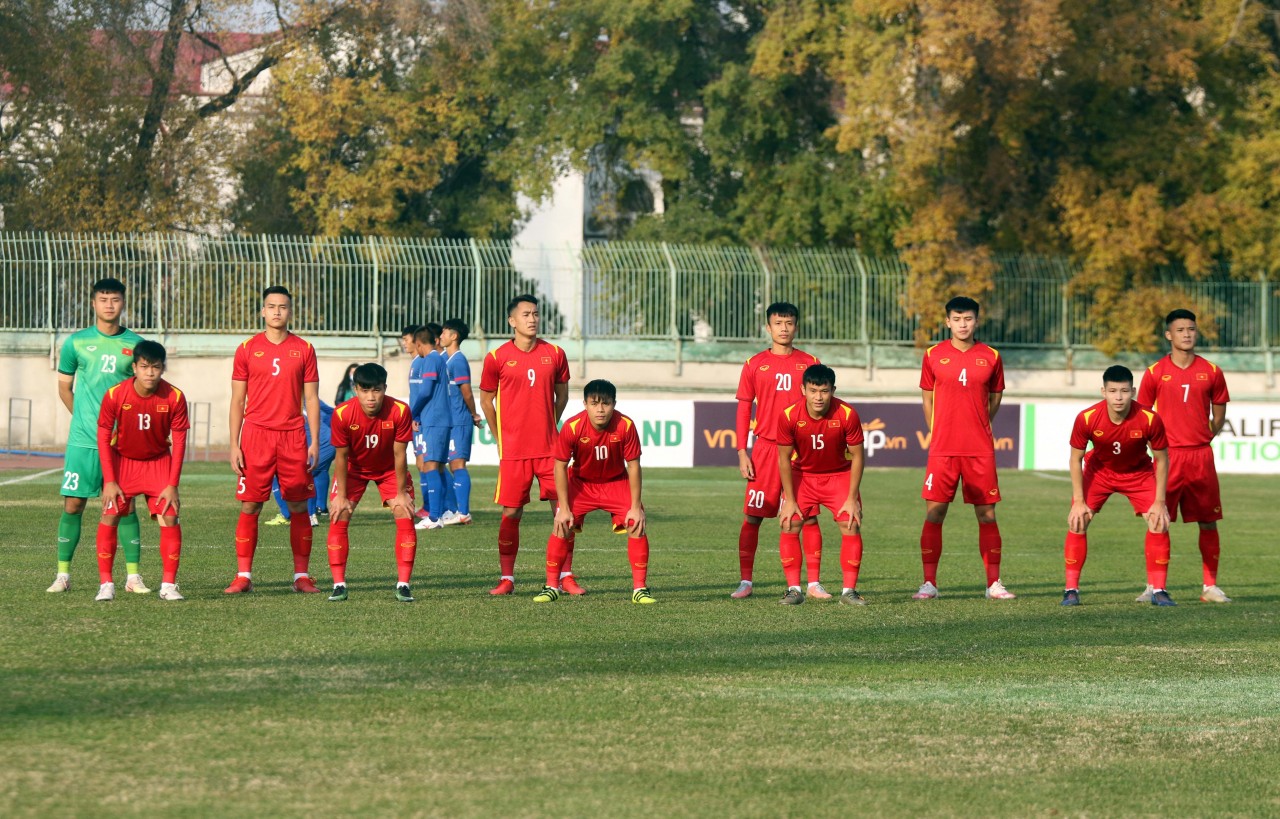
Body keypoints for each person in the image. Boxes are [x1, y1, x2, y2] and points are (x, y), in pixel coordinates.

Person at [48, 277, 149, 595]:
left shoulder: (136, 344)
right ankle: (63, 574)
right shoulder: (76, 343)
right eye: (103, 299)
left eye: (115, 299)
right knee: (74, 504)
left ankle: (133, 577)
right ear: (94, 303)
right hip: (84, 441)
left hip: (123, 443)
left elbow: (145, 388)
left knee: (126, 506)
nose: (109, 304)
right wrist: (85, 420)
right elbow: (65, 387)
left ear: (123, 304)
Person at [914, 296, 1015, 600]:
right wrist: (937, 430)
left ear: (976, 321)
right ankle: (929, 583)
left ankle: (993, 584)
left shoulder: (992, 356)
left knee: (986, 514)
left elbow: (994, 398)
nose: (962, 324)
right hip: (943, 448)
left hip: (979, 448)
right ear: (947, 322)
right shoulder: (933, 354)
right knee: (935, 512)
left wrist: (980, 424)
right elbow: (927, 398)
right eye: (957, 319)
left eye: (968, 319)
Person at [224, 285, 323, 595]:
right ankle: (243, 576)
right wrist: (233, 443)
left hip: (293, 435)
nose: (277, 311)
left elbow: (312, 398)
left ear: (290, 311)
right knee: (251, 505)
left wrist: (315, 440)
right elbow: (237, 400)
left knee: (298, 506)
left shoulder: (304, 348)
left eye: (283, 306)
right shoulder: (246, 348)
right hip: (256, 435)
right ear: (262, 311)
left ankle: (301, 576)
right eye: (271, 306)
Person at [1136, 309, 1232, 603]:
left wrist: (1206, 436)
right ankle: (1154, 586)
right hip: (1168, 458)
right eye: (1180, 330)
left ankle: (1210, 587)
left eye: (1191, 329)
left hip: (1201, 457)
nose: (1187, 334)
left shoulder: (1212, 371)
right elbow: (1141, 415)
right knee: (1158, 520)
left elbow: (1220, 412)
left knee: (1208, 521)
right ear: (1169, 335)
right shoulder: (1154, 372)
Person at [479, 294, 570, 595]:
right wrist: (499, 435)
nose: (532, 319)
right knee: (511, 513)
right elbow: (486, 401)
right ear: (512, 321)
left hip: (549, 450)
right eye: (526, 314)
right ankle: (507, 579)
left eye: (535, 313)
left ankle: (564, 576)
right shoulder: (497, 357)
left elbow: (563, 396)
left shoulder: (555, 353)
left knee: (563, 511)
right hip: (514, 451)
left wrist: (549, 426)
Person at [1061, 366, 1175, 606]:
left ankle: (1159, 590)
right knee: (1078, 520)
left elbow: (1162, 459)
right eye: (1113, 391)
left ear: (1133, 391)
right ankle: (1071, 590)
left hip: (1138, 473)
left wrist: (1160, 502)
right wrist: (1079, 501)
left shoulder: (1149, 418)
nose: (1119, 397)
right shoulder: (1087, 417)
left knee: (1159, 521)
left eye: (1124, 391)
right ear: (1103, 391)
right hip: (1099, 472)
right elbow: (1075, 458)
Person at [730, 302, 821, 599]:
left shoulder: (810, 362)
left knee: (806, 516)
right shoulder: (754, 364)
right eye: (778, 323)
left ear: (797, 326)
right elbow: (744, 407)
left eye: (789, 323)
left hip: (801, 451)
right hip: (766, 449)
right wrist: (742, 452)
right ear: (768, 328)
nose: (784, 328)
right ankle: (745, 581)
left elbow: (822, 406)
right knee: (753, 515)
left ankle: (812, 583)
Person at [534, 379, 653, 604]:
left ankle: (640, 589)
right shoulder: (572, 427)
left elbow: (634, 466)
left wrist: (636, 507)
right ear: (585, 404)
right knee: (561, 524)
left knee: (636, 524)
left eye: (606, 404)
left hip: (616, 483)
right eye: (594, 403)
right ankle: (551, 586)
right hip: (581, 484)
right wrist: (563, 507)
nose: (600, 409)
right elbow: (559, 465)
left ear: (614, 404)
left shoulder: (625, 425)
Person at [94, 341, 189, 602]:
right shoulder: (115, 395)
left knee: (170, 516)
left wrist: (172, 484)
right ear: (134, 367)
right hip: (123, 462)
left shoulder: (175, 397)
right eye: (144, 367)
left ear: (162, 369)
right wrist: (110, 481)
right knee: (110, 515)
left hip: (158, 462)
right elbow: (103, 438)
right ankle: (106, 584)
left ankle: (168, 585)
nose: (150, 373)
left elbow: (179, 442)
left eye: (156, 367)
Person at [775, 365, 867, 606]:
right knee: (789, 523)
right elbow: (784, 458)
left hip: (838, 476)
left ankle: (849, 592)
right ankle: (794, 590)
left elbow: (857, 456)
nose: (818, 397)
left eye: (824, 391)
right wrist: (790, 499)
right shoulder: (789, 415)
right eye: (813, 390)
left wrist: (852, 497)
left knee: (851, 523)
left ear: (833, 390)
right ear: (802, 389)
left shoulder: (847, 414)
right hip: (802, 475)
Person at [325, 363, 417, 602]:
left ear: (385, 388)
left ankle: (404, 584)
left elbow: (400, 455)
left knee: (404, 512)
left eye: (376, 390)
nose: (371, 397)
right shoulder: (342, 414)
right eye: (365, 390)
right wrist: (341, 496)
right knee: (339, 514)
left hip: (389, 470)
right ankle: (338, 584)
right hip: (353, 470)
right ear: (356, 389)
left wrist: (400, 493)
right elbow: (341, 458)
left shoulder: (399, 410)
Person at [265, 400, 335, 526]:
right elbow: (333, 413)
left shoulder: (285, 403)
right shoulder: (309, 398)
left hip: (321, 445)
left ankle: (288, 514)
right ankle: (320, 508)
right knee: (316, 473)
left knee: (281, 475)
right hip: (331, 442)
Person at [408, 325, 451, 529]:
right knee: (437, 467)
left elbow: (425, 391)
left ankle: (434, 517)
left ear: (418, 344)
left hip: (434, 419)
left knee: (430, 466)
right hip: (439, 419)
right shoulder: (438, 359)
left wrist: (413, 412)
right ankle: (440, 514)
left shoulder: (431, 360)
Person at [441, 318, 481, 525]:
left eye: (444, 333)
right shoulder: (445, 359)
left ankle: (463, 512)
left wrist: (474, 414)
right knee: (448, 464)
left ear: (454, 336)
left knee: (457, 464)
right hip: (449, 421)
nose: (441, 336)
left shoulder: (458, 360)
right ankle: (455, 509)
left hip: (460, 420)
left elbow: (466, 391)